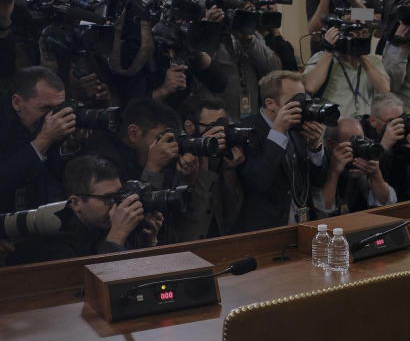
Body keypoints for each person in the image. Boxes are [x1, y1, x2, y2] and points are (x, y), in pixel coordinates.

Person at [6, 156, 163, 264]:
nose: (116, 205)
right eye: (107, 199)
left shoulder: (108, 223)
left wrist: (146, 243)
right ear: (76, 203)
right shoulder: (56, 240)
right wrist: (118, 235)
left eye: (119, 196)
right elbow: (89, 288)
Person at [236, 70, 326, 230]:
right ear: (270, 103)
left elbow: (318, 182)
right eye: (295, 100)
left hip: (304, 225)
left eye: (303, 99)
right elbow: (259, 182)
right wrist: (277, 133)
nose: (301, 106)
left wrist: (315, 147)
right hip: (266, 229)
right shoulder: (246, 130)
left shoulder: (298, 128)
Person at [0, 66, 74, 212]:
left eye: (58, 108)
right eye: (45, 109)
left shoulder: (48, 125)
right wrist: (44, 140)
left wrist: (72, 145)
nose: (52, 117)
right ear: (17, 103)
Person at [176, 96, 245, 240]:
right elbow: (190, 220)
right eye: (213, 127)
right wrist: (203, 157)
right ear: (190, 127)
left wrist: (229, 171)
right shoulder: (179, 160)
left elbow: (232, 217)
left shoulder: (222, 158)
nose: (220, 134)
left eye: (223, 125)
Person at [302, 19, 388, 118]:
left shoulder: (374, 61)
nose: (358, 37)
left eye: (364, 33)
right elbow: (310, 87)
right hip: (334, 126)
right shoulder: (322, 57)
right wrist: (329, 51)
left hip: (363, 126)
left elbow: (384, 89)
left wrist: (360, 55)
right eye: (353, 33)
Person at [314, 117, 396, 216]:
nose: (359, 147)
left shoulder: (362, 158)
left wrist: (376, 175)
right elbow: (321, 211)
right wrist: (334, 173)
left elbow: (388, 204)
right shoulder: (318, 162)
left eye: (361, 140)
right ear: (330, 144)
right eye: (354, 142)